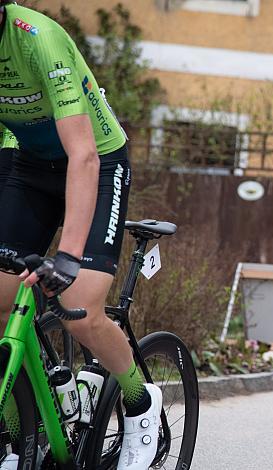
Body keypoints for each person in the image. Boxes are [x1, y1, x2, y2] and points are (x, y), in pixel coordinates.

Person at [0, 3, 160, 469]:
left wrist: (67, 257)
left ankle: (138, 402)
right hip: (26, 162)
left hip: (97, 160)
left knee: (78, 311)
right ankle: (18, 437)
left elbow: (84, 154)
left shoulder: (36, 39)